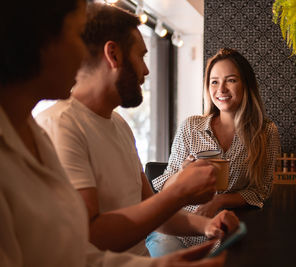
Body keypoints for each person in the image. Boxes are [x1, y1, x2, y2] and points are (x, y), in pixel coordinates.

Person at [0, 0, 231, 266]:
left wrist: (201, 230)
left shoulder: (114, 125)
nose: (145, 70)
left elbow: (72, 251)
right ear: (114, 55)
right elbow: (89, 237)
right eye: (76, 35)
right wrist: (177, 192)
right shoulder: (59, 124)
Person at [148, 48, 281, 255]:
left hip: (224, 231)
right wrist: (183, 175)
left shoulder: (265, 132)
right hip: (178, 229)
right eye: (214, 81)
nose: (222, 89)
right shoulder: (190, 127)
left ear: (246, 84)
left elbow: (260, 191)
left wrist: (219, 200)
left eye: (231, 80)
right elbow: (164, 186)